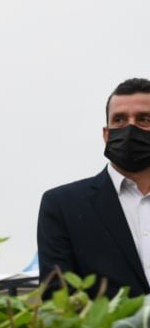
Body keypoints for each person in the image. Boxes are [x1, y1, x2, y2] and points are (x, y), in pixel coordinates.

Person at [38, 77, 150, 298]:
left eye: (143, 119)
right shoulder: (63, 205)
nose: (129, 127)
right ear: (106, 134)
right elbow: (57, 299)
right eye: (119, 120)